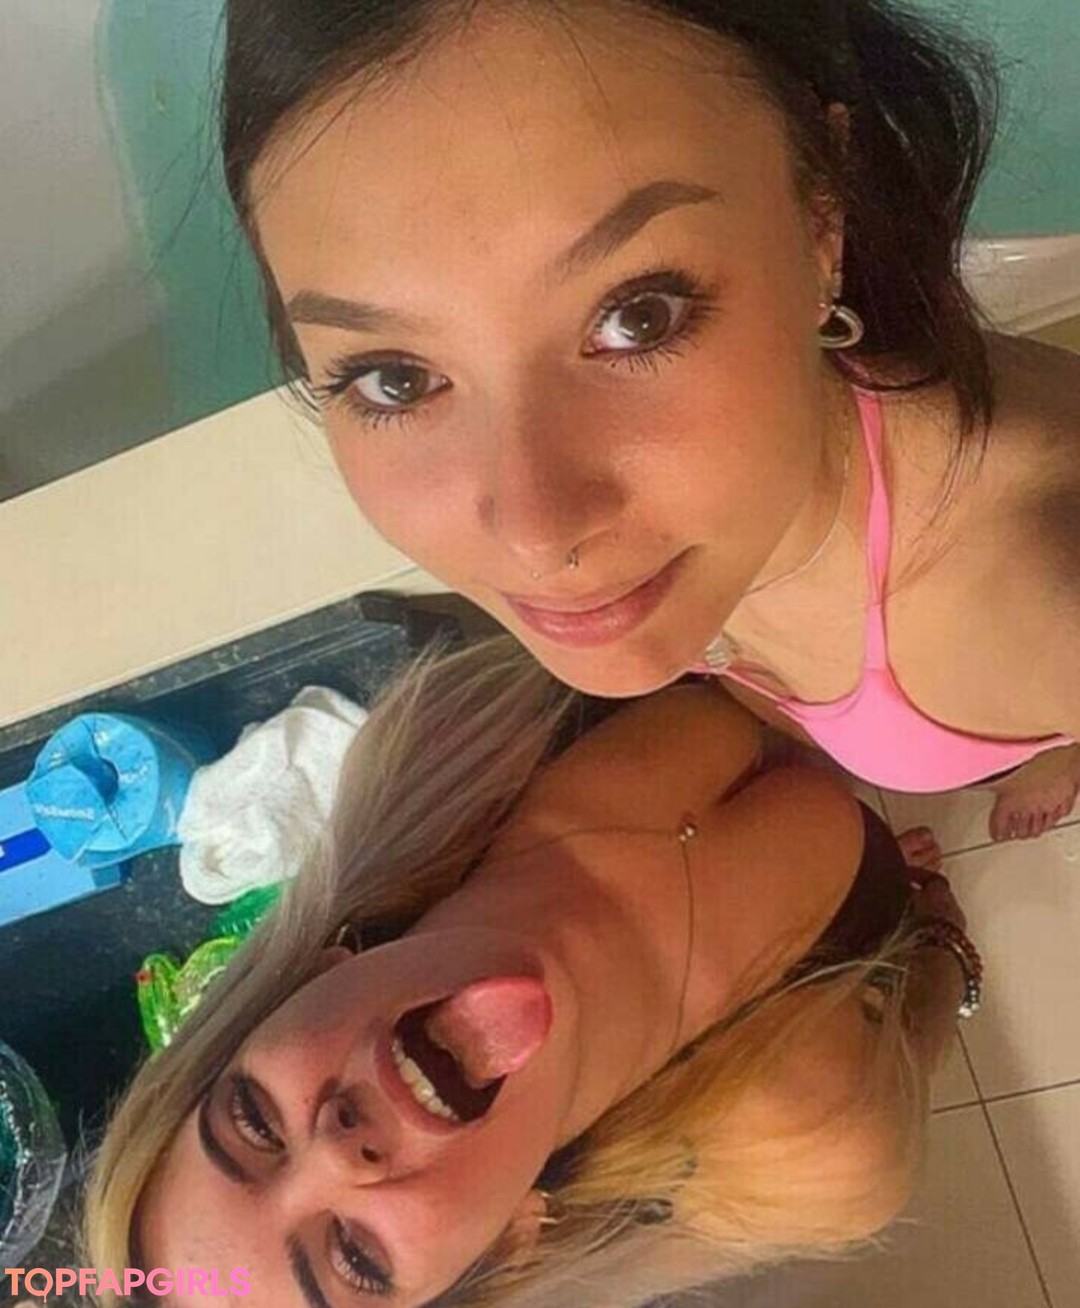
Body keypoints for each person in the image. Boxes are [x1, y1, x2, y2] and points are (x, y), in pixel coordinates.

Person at [217, 0, 1079, 842]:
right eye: (396, 379)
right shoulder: (718, 525)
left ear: (820, 212)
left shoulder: (1036, 581)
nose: (538, 539)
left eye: (639, 318)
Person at [84, 640, 980, 1308]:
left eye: (252, 1121)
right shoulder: (812, 1125)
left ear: (297, 983)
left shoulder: (453, 740)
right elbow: (931, 995)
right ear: (505, 1246)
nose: (333, 1150)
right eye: (355, 1259)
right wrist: (935, 921)